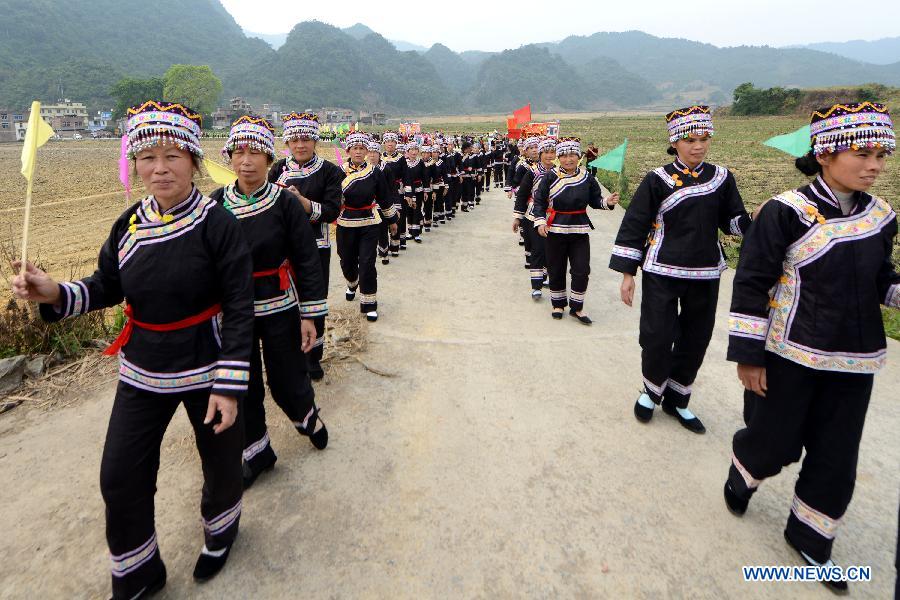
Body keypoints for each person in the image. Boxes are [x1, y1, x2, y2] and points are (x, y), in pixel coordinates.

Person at [12, 100, 254, 597]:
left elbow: (239, 305)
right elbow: (107, 286)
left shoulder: (218, 224)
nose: (159, 168)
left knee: (223, 462)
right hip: (143, 368)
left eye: (172, 156)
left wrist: (230, 387)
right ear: (134, 163)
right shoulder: (128, 226)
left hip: (208, 366)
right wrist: (55, 292)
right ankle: (139, 571)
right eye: (147, 156)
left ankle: (222, 528)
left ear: (192, 159)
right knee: (120, 475)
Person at [723, 101, 898, 594]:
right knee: (775, 439)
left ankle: (812, 537)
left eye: (882, 153)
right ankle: (745, 466)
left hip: (855, 356)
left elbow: (881, 281)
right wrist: (748, 355)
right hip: (790, 351)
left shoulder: (882, 217)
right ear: (824, 154)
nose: (875, 165)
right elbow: (752, 283)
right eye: (862, 152)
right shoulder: (787, 211)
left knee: (837, 453)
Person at [609, 105, 752, 434]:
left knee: (696, 338)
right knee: (658, 336)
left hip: (705, 272)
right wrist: (628, 274)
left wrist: (753, 222)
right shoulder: (657, 180)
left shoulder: (721, 178)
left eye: (704, 138)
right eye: (690, 139)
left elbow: (732, 221)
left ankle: (678, 399)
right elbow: (635, 225)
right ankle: (651, 391)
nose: (698, 146)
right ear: (674, 142)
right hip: (661, 269)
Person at [210, 115, 329, 489]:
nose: (246, 161)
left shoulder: (284, 203)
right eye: (239, 152)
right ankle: (257, 452)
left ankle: (306, 415)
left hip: (279, 305)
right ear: (229, 157)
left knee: (286, 376)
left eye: (255, 153)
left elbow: (307, 259)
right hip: (236, 312)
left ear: (268, 157)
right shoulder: (216, 206)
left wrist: (310, 314)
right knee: (243, 385)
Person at [268, 112, 342, 382]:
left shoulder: (330, 171)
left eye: (306, 139)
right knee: (287, 302)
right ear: (287, 142)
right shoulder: (277, 169)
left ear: (315, 140)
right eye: (295, 140)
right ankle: (292, 354)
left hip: (316, 246)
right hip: (283, 248)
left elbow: (333, 211)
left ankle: (313, 357)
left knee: (314, 301)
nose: (300, 145)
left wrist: (305, 204)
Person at [532, 137, 619, 323]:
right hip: (554, 230)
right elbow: (539, 202)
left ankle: (577, 307)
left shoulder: (587, 177)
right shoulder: (550, 176)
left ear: (579, 156)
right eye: (563, 155)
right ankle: (558, 304)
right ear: (558, 157)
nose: (568, 159)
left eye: (572, 155)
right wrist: (540, 222)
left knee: (581, 270)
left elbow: (596, 201)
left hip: (579, 230)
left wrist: (607, 202)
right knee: (556, 268)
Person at [336, 132, 400, 322]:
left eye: (361, 148)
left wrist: (393, 220)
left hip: (369, 222)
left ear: (366, 151)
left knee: (367, 263)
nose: (358, 151)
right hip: (345, 222)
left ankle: (369, 303)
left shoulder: (375, 172)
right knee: (346, 260)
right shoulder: (338, 171)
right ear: (348, 150)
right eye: (354, 148)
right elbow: (331, 198)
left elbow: (384, 196)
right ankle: (352, 282)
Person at [514, 138, 554, 298]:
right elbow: (523, 194)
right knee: (538, 250)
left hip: (554, 216)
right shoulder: (533, 171)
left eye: (553, 152)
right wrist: (517, 217)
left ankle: (547, 276)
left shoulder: (560, 172)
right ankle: (536, 285)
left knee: (552, 249)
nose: (550, 156)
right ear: (541, 154)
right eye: (546, 152)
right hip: (533, 216)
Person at [381, 132, 407, 255]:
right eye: (387, 141)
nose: (390, 144)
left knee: (397, 217)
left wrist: (408, 193)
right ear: (384, 143)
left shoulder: (401, 158)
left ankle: (395, 245)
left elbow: (406, 175)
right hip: (382, 192)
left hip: (397, 191)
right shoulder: (379, 157)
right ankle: (383, 246)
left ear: (396, 143)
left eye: (392, 142)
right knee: (383, 219)